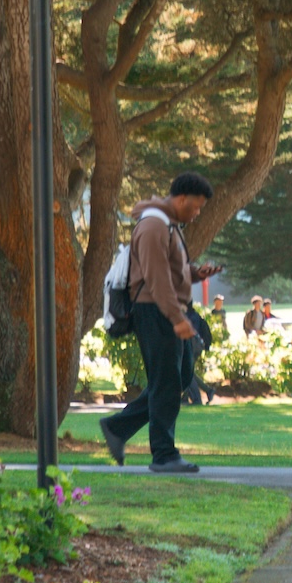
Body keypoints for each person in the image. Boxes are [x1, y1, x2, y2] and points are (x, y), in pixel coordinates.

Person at [99, 173, 223, 473]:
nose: (196, 214)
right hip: (155, 311)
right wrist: (177, 318)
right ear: (181, 199)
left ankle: (117, 428)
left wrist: (196, 274)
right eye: (194, 208)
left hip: (163, 309)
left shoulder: (168, 225)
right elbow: (156, 279)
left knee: (177, 377)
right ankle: (164, 455)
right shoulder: (154, 225)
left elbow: (171, 270)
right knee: (167, 381)